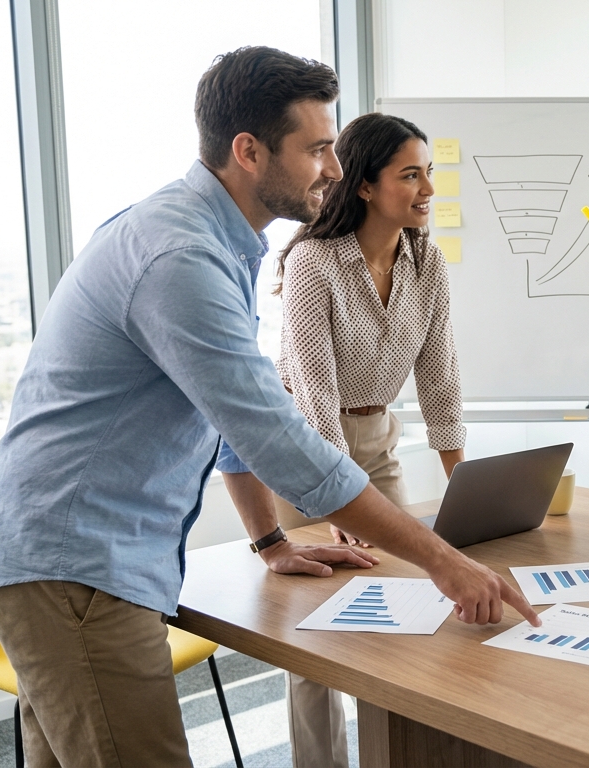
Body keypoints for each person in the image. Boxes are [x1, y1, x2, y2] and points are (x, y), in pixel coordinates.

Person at [0, 47, 537, 768]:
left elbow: (228, 414)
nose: (333, 165)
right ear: (249, 151)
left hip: (60, 563)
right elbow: (278, 438)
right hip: (74, 571)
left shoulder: (215, 242)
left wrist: (270, 541)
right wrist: (443, 563)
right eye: (318, 147)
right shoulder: (182, 258)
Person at [254, 112, 467, 768]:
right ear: (366, 186)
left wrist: (465, 484)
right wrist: (340, 498)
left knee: (407, 601)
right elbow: (314, 398)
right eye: (410, 174)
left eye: (430, 172)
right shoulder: (315, 261)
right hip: (307, 453)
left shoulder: (427, 261)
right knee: (314, 638)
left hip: (379, 442)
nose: (428, 187)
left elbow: (440, 381)